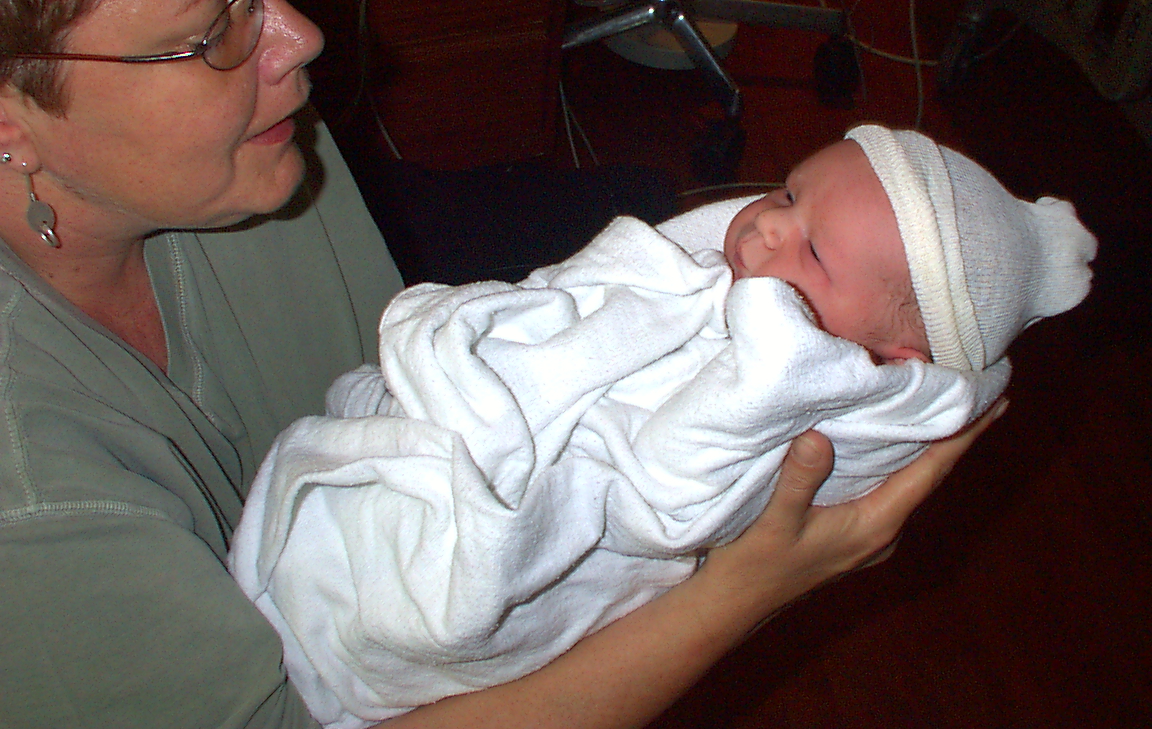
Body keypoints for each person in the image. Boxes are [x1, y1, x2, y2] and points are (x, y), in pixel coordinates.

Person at [0, 0, 1007, 727]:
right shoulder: (34, 514)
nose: (300, 37)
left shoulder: (257, 147)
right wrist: (747, 589)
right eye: (214, 25)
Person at [230, 124, 1095, 727]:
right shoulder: (735, 284)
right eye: (788, 191)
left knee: (440, 575)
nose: (765, 225)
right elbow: (595, 295)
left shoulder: (793, 413)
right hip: (502, 430)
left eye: (813, 250)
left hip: (556, 533)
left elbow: (664, 505)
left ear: (890, 357)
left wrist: (772, 360)